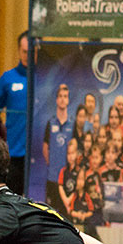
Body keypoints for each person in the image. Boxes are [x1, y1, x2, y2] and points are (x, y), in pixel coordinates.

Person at [0, 31, 29, 193]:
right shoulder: (8, 78)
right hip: (14, 153)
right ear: (19, 51)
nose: (28, 55)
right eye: (25, 51)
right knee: (12, 199)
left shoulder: (45, 79)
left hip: (39, 157)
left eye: (31, 52)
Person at [43, 83, 73, 214]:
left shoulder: (72, 123)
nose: (62, 99)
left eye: (65, 96)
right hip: (52, 177)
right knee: (51, 214)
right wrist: (52, 164)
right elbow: (45, 148)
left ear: (68, 100)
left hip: (66, 179)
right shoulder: (50, 123)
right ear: (56, 100)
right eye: (60, 96)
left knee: (65, 215)